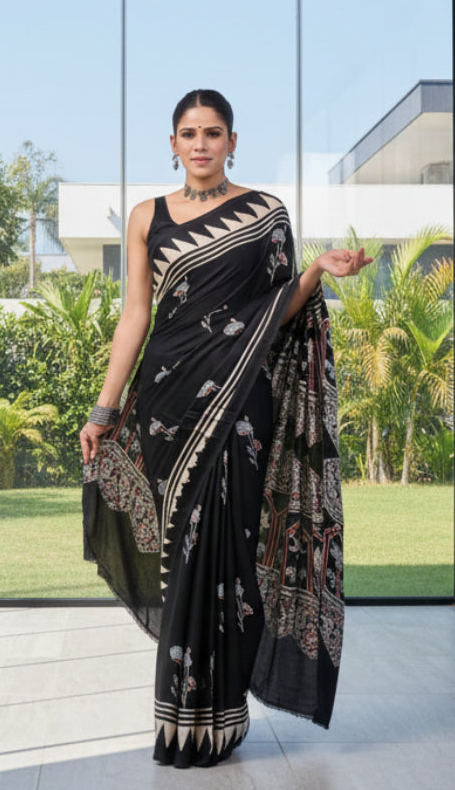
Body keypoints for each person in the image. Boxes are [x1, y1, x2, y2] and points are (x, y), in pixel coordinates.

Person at [80, 89, 372, 769]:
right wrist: (104, 407)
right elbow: (135, 316)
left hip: (241, 404)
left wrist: (315, 269)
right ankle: (180, 717)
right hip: (166, 404)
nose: (202, 143)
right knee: (180, 556)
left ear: (232, 141)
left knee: (233, 554)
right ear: (173, 143)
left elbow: (278, 307)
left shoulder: (265, 213)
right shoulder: (146, 217)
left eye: (213, 132)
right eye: (189, 133)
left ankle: (223, 714)